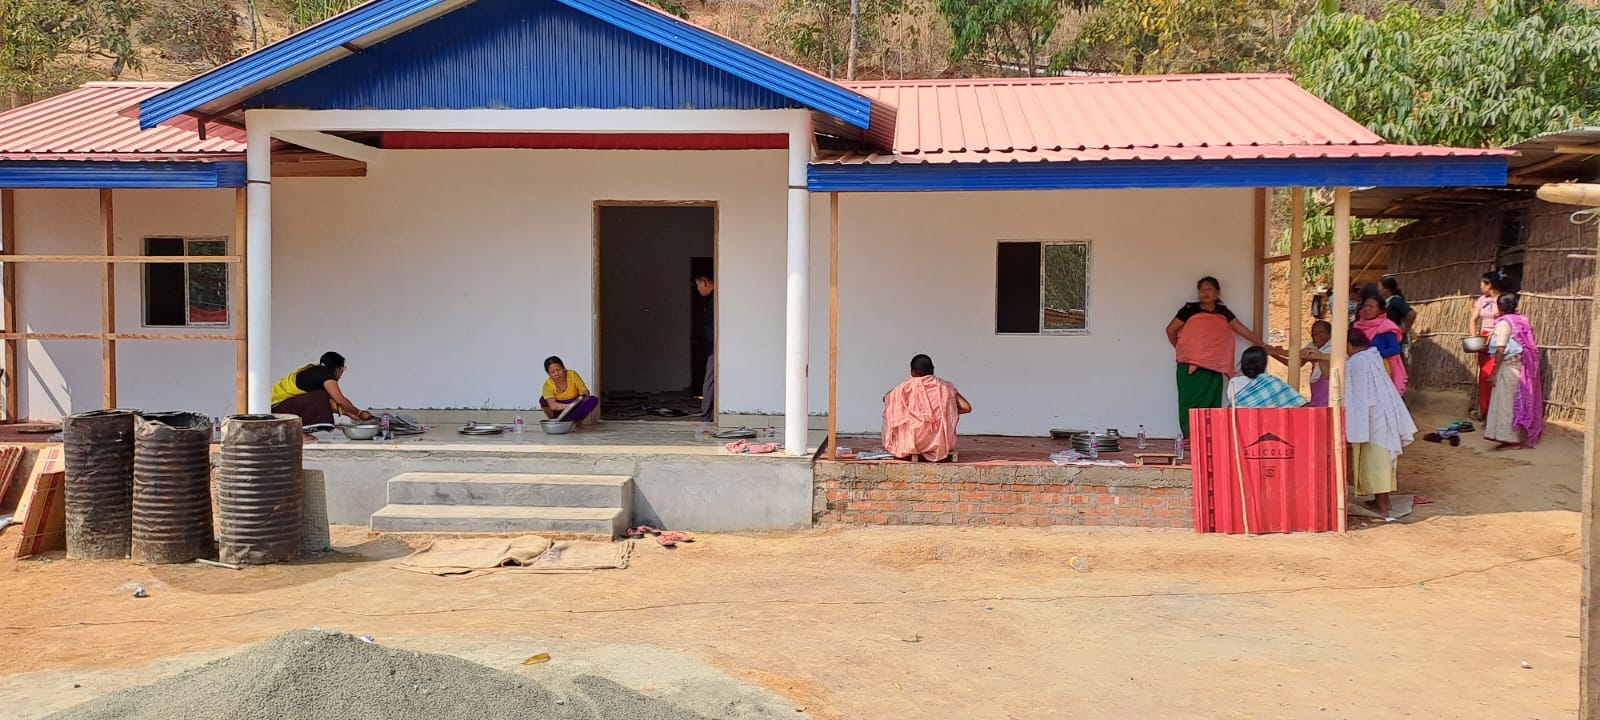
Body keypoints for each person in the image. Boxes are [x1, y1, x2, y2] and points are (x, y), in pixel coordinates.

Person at [1165, 276, 1264, 436]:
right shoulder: (1189, 310)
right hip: (1189, 366)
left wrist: (1262, 344)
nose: (1205, 293)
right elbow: (1170, 329)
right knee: (1189, 403)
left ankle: (1209, 438)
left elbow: (1240, 329)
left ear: (1217, 292)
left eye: (1209, 289)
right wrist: (1181, 348)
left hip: (1214, 367)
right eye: (1202, 290)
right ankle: (1190, 438)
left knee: (1211, 403)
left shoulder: (1223, 312)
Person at [1344, 329, 1417, 519]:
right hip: (1381, 415)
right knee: (1380, 462)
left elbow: (1355, 393)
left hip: (1372, 419)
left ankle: (1383, 507)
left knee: (1375, 464)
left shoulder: (1358, 362)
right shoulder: (1372, 357)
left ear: (1349, 345)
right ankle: (1382, 502)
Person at [882, 354, 971, 462]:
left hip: (912, 444)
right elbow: (967, 407)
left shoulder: (903, 389)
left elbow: (886, 399)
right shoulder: (945, 387)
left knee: (891, 410)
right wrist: (947, 411)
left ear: (913, 372)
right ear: (932, 370)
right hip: (941, 444)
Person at [1483, 293, 1544, 448]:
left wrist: (1494, 373)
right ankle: (1512, 437)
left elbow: (1501, 350)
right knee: (1516, 401)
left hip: (1509, 367)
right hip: (1522, 366)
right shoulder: (1522, 321)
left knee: (1506, 403)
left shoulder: (1504, 324)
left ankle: (1511, 439)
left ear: (1500, 307)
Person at [270, 352, 372, 437]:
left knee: (321, 396)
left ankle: (300, 433)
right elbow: (340, 400)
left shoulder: (316, 373)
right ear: (338, 369)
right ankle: (299, 435)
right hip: (279, 409)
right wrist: (359, 413)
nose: (342, 374)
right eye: (343, 369)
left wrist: (349, 414)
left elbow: (325, 404)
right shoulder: (326, 374)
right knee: (320, 395)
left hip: (279, 407)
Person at [1473, 270, 1513, 420]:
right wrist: (1475, 337)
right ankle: (1484, 410)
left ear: (1489, 285)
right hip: (1484, 339)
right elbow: (1473, 319)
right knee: (1484, 375)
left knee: (1494, 375)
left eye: (1482, 283)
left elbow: (1508, 320)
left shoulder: (1503, 300)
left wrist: (1495, 332)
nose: (1480, 286)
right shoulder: (1482, 300)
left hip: (1498, 339)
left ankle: (1494, 412)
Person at [1267, 321, 1333, 407]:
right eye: (1313, 333)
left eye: (1320, 333)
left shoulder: (1332, 347)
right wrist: (1274, 354)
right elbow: (1294, 363)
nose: (1316, 336)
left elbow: (1302, 354)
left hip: (1329, 387)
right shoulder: (1313, 346)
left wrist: (1277, 351)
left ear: (1330, 334)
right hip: (1317, 387)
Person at [1354, 295, 1408, 395]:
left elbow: (1395, 349)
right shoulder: (1357, 326)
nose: (1367, 309)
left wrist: (1372, 354)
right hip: (1360, 369)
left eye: (1371, 307)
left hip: (1381, 369)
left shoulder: (1386, 326)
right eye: (1365, 306)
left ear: (1381, 311)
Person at [1224, 346, 1308, 409]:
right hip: (1270, 425)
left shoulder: (1233, 382)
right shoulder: (1273, 383)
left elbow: (1232, 405)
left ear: (1243, 363)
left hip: (1241, 425)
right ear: (1264, 364)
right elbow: (1299, 404)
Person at [540, 356, 599, 425]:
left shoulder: (572, 375)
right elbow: (553, 406)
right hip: (560, 408)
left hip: (575, 403)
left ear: (563, 368)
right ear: (548, 374)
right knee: (543, 400)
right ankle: (555, 421)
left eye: (558, 370)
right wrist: (569, 406)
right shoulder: (547, 385)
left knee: (592, 400)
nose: (556, 374)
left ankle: (577, 422)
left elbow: (585, 392)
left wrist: (583, 395)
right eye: (553, 372)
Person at [695, 272, 716, 422]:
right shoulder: (713, 299)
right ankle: (708, 413)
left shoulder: (715, 299)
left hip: (716, 347)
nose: (698, 289)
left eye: (698, 285)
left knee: (710, 379)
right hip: (714, 346)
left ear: (704, 282)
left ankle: (707, 414)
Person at [1379, 277, 1416, 353]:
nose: (1378, 289)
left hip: (1396, 337)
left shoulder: (1395, 301)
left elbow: (1411, 313)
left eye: (1379, 287)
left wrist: (1405, 329)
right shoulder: (1387, 301)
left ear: (1387, 289)